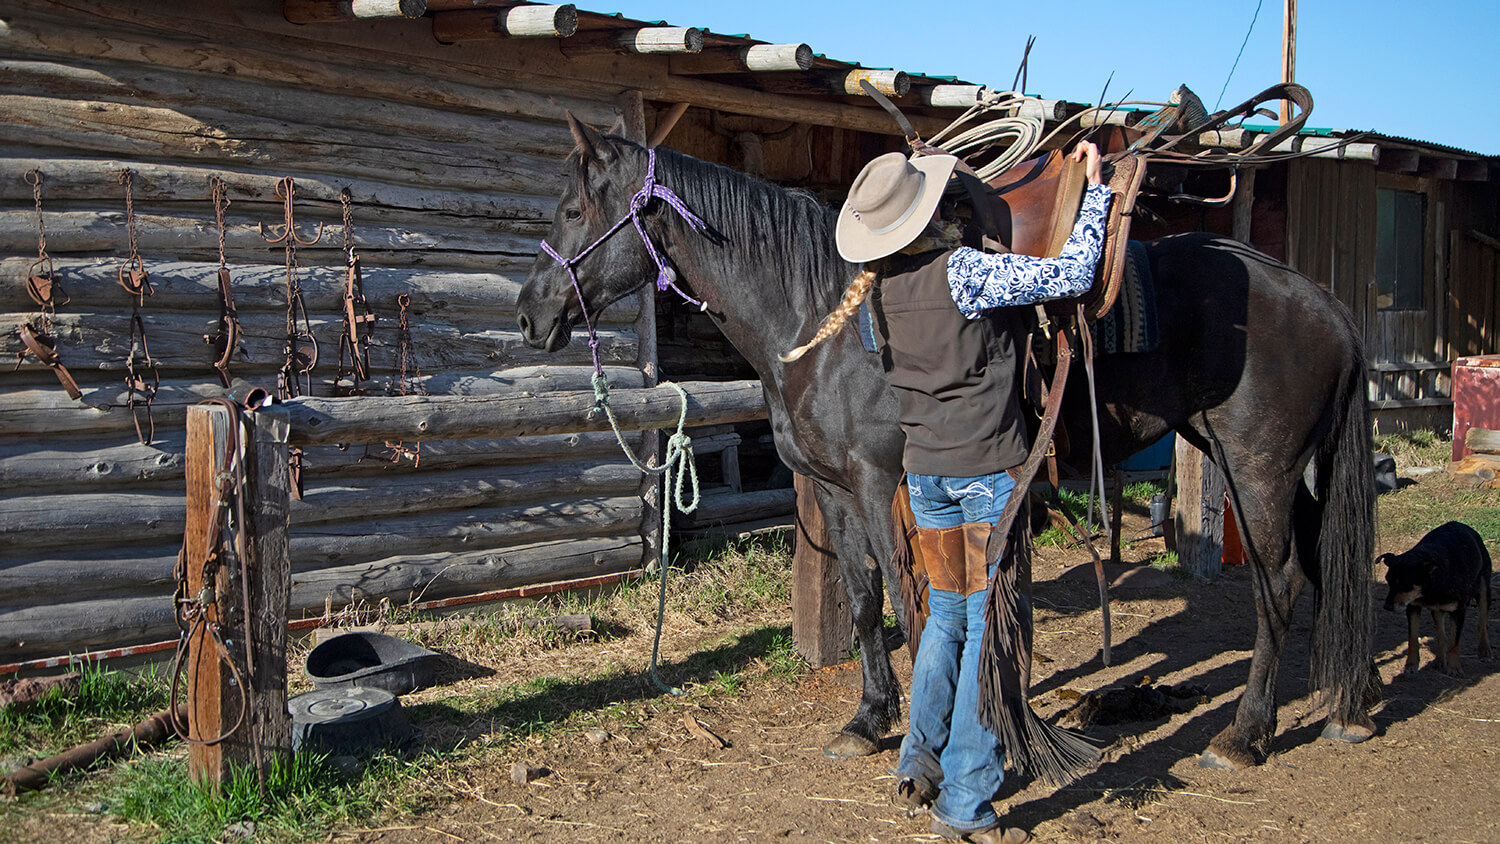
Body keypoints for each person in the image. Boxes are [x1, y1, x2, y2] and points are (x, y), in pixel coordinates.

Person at [782, 142, 1110, 843]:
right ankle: (964, 800)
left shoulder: (872, 299)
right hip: (988, 476)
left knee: (948, 622)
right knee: (990, 632)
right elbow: (1073, 272)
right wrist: (1100, 195)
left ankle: (919, 758)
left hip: (927, 477)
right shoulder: (965, 272)